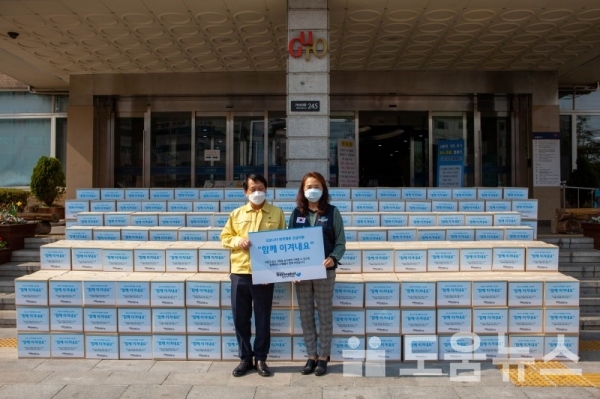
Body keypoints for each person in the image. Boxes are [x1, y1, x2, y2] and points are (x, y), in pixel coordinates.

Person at [220, 174, 286, 377]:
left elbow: (282, 242)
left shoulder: (277, 213)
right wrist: (237, 240)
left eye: (260, 189)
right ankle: (245, 358)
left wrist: (275, 271)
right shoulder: (236, 214)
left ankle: (261, 359)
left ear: (267, 190)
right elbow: (224, 237)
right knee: (241, 318)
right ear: (245, 192)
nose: (257, 193)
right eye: (252, 189)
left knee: (263, 318)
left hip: (265, 274)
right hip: (240, 272)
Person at [288, 171, 346, 376]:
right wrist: (291, 269)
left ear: (323, 189)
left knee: (324, 314)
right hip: (302, 274)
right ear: (303, 190)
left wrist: (333, 257)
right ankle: (311, 356)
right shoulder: (297, 213)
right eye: (309, 187)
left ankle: (323, 357)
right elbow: (290, 243)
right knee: (305, 315)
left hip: (325, 271)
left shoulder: (332, 212)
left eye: (317, 186)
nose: (313, 190)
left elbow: (340, 242)